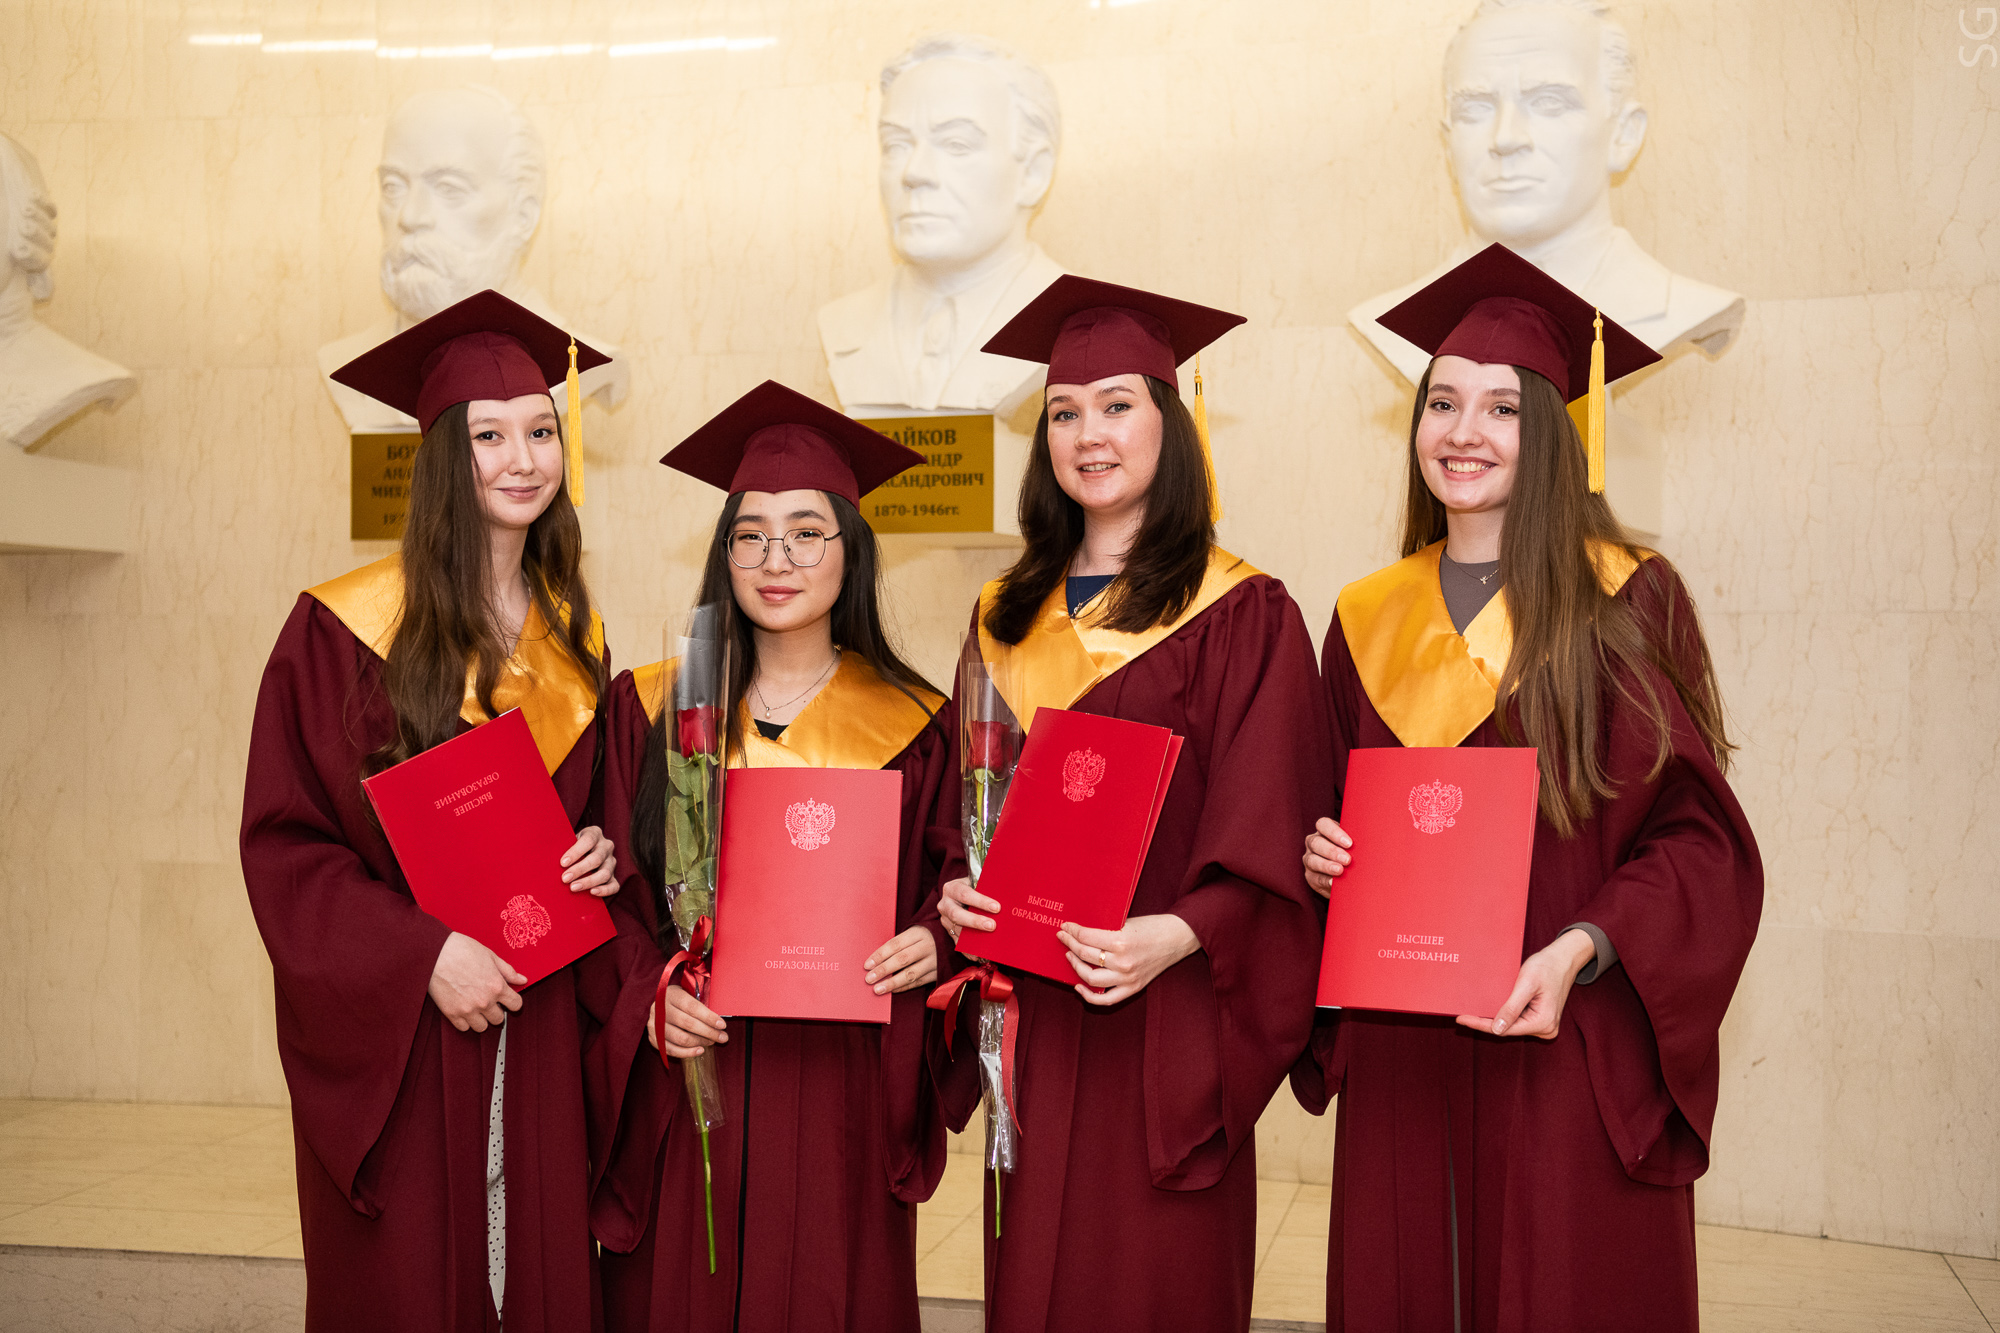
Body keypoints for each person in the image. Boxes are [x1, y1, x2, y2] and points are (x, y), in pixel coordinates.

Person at [1295, 244, 1763, 1332]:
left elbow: (1695, 842)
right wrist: (1320, 856)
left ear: (1550, 430)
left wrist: (1580, 948)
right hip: (1403, 1049)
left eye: (1501, 408)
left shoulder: (1625, 600)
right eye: (1442, 402)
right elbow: (1322, 815)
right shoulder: (1363, 618)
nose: (1463, 431)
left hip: (1564, 1036)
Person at [935, 276, 1334, 1332]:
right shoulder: (1000, 617)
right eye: (1063, 413)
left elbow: (1277, 819)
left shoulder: (1244, 611)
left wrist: (1180, 933)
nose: (1088, 435)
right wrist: (957, 892)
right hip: (1030, 1016)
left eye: (1117, 405)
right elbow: (958, 806)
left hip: (1168, 1021)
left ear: (1171, 421)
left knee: (1154, 1284)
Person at [241, 290, 638, 1332]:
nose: (523, 458)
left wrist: (598, 852)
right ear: (439, 459)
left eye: (542, 431)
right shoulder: (339, 633)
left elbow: (593, 818)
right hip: (414, 1029)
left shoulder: (575, 638)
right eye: (489, 435)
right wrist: (421, 955)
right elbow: (289, 848)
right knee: (414, 1284)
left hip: (541, 1021)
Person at [591, 381, 957, 1333]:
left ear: (851, 550)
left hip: (837, 1082)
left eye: (805, 533)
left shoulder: (917, 723)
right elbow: (610, 891)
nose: (776, 560)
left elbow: (956, 877)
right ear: (724, 554)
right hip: (693, 1071)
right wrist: (649, 993)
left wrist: (932, 939)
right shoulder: (651, 707)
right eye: (749, 535)